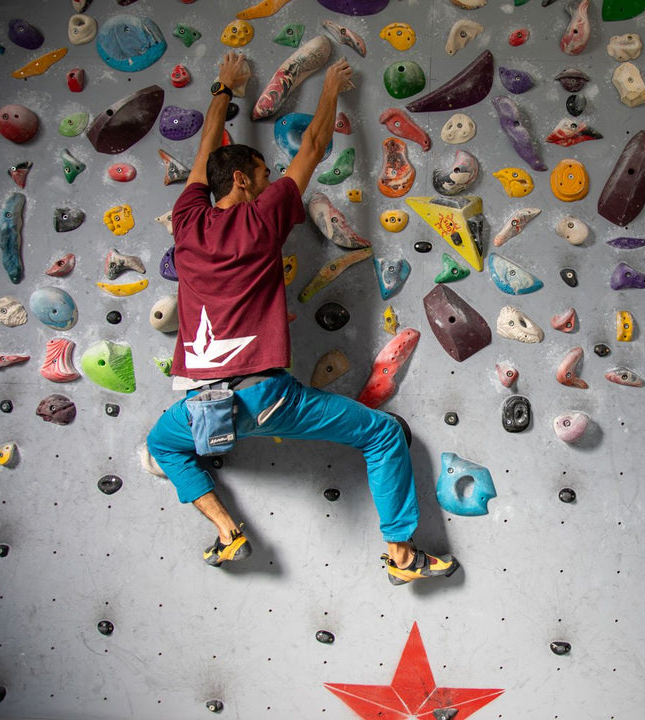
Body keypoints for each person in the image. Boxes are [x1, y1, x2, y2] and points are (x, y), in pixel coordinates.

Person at [146, 52, 458, 586]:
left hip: (201, 405)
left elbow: (204, 157)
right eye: (265, 175)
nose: (274, 183)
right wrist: (333, 88)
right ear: (245, 182)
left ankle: (228, 533)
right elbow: (313, 147)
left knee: (160, 444)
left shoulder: (187, 220)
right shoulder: (263, 216)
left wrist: (225, 88)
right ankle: (403, 557)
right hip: (264, 399)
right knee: (383, 436)